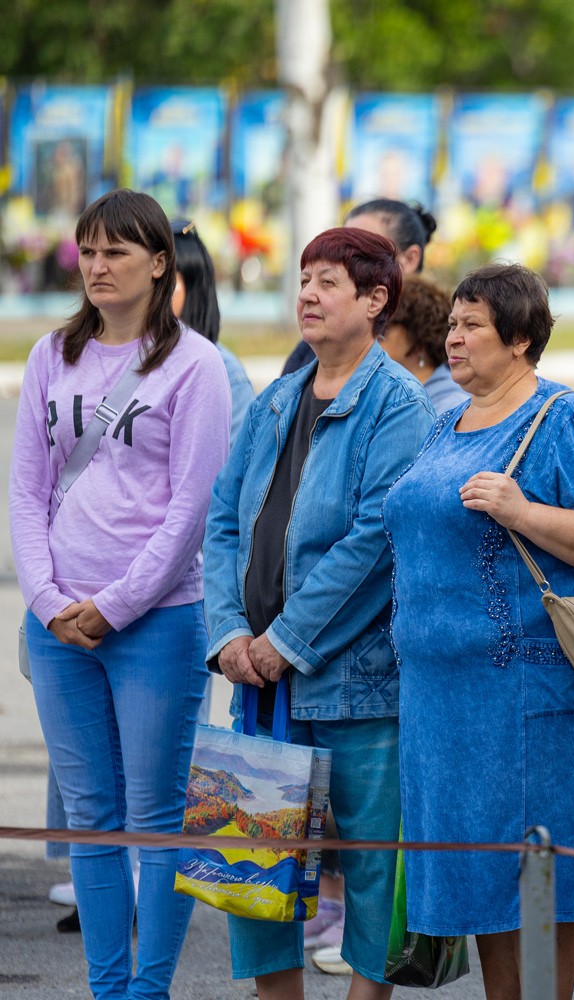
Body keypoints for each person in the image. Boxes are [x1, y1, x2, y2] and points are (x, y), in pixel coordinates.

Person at [386, 263, 574, 998]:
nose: (453, 338)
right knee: (485, 885)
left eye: (473, 326)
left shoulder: (566, 420)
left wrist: (523, 512)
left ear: (521, 338)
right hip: (447, 711)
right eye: (452, 324)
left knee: (539, 881)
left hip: (533, 705)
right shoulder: (447, 424)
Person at [10, 188, 232, 999]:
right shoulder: (51, 356)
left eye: (117, 252)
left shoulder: (196, 366)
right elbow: (27, 492)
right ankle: (109, 989)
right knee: (90, 821)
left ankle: (148, 989)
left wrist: (116, 605)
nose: (98, 267)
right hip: (59, 628)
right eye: (90, 251)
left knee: (157, 818)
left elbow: (191, 509)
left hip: (157, 623)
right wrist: (47, 601)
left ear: (160, 263)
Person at [203, 226, 435, 1000]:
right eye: (304, 279)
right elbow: (223, 522)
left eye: (328, 281)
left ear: (375, 300)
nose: (307, 293)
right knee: (253, 866)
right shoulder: (276, 399)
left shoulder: (398, 405)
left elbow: (376, 540)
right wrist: (229, 632)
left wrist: (287, 640)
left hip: (358, 685)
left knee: (372, 868)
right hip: (258, 680)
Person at [281, 199, 437, 375]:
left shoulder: (434, 348)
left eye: (364, 245)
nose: (346, 253)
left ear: (409, 259)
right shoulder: (312, 349)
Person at [171, 219, 254, 442]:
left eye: (167, 281)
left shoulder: (228, 375)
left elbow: (234, 461)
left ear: (194, 288)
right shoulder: (131, 356)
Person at [379, 273, 467, 412]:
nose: (374, 337)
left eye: (383, 330)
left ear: (418, 334)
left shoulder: (450, 405)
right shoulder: (393, 394)